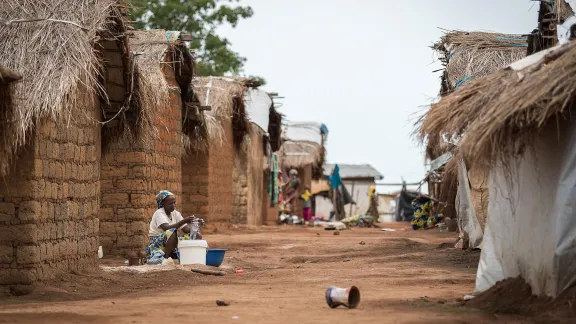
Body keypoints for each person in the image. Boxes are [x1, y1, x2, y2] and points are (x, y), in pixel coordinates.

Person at [147, 190, 203, 265]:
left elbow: (186, 230)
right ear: (162, 204)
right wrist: (184, 221)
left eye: (174, 202)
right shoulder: (159, 213)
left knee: (197, 235)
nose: (173, 205)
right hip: (157, 243)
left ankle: (185, 255)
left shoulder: (175, 213)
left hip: (171, 241)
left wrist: (196, 224)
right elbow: (167, 228)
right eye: (170, 203)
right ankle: (166, 259)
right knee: (172, 232)